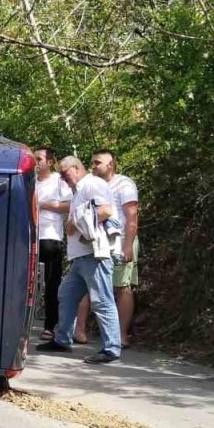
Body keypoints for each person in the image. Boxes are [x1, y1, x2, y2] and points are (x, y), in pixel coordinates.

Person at [35, 156, 122, 364]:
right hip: (82, 257)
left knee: (102, 300)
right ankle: (62, 339)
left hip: (95, 254)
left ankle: (111, 348)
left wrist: (73, 221)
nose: (63, 178)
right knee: (66, 294)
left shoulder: (92, 184)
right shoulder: (78, 191)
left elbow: (105, 210)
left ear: (76, 168)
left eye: (64, 173)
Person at [73, 149, 139, 348]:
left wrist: (128, 246)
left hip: (119, 241)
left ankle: (121, 335)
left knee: (122, 287)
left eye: (97, 163)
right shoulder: (90, 184)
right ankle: (79, 330)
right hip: (94, 242)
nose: (93, 166)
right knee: (87, 283)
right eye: (92, 162)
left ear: (111, 165)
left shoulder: (124, 184)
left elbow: (131, 216)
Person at [33, 147, 71, 341]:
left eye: (39, 159)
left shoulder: (59, 181)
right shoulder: (30, 181)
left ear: (50, 162)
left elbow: (69, 205)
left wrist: (43, 204)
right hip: (29, 236)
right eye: (34, 159)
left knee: (51, 283)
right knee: (24, 281)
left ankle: (50, 325)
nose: (36, 162)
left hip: (51, 237)